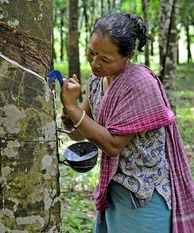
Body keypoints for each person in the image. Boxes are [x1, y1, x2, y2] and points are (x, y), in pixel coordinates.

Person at [60, 13, 194, 233]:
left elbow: (113, 145)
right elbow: (78, 134)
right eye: (91, 53)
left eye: (105, 59)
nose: (95, 63)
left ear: (127, 56)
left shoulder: (139, 84)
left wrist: (75, 110)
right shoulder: (96, 80)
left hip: (144, 196)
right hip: (115, 190)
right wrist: (69, 114)